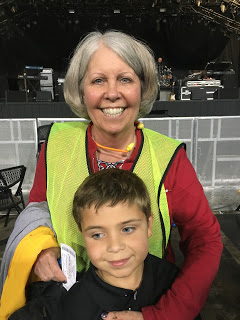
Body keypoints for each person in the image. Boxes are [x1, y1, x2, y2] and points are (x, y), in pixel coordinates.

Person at [0, 30, 222, 320]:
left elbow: (206, 241)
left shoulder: (169, 158)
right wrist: (41, 250)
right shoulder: (56, 144)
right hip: (71, 299)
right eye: (98, 80)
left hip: (148, 299)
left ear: (143, 88)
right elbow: (39, 210)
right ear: (81, 91)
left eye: (125, 79)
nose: (112, 92)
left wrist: (162, 315)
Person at [58, 168, 179, 319]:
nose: (115, 247)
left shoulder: (175, 282)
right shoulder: (75, 305)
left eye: (127, 229)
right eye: (98, 234)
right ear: (82, 234)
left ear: (148, 226)